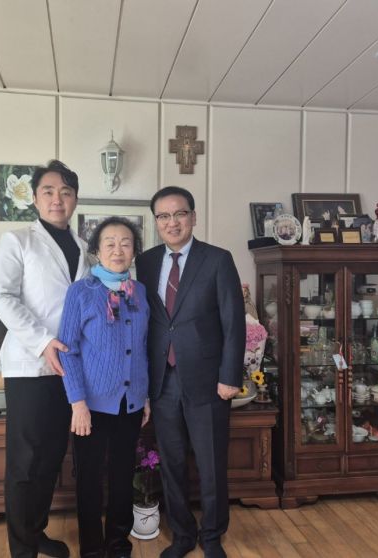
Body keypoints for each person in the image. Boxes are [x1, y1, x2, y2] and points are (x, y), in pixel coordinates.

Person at [135, 186, 245, 558]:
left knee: (211, 465)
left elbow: (234, 322)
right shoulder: (146, 262)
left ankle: (212, 536)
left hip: (208, 381)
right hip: (162, 381)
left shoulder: (217, 259)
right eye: (163, 216)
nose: (172, 222)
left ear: (193, 217)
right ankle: (182, 535)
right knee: (172, 464)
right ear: (156, 222)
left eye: (179, 213)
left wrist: (230, 376)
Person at [0, 159, 89, 558]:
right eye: (48, 191)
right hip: (30, 366)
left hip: (71, 368)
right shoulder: (17, 241)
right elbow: (1, 298)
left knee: (51, 457)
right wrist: (44, 341)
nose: (57, 199)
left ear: (75, 199)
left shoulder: (85, 247)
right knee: (26, 462)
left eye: (66, 191)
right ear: (34, 198)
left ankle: (36, 531)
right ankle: (22, 549)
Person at [58, 217, 151, 558]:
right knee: (90, 479)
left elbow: (143, 347)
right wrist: (77, 403)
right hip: (91, 406)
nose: (118, 250)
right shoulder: (81, 292)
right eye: (109, 243)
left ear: (134, 251)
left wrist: (145, 397)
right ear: (96, 251)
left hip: (131, 403)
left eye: (126, 243)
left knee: (123, 475)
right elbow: (67, 349)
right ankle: (93, 548)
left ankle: (118, 542)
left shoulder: (140, 292)